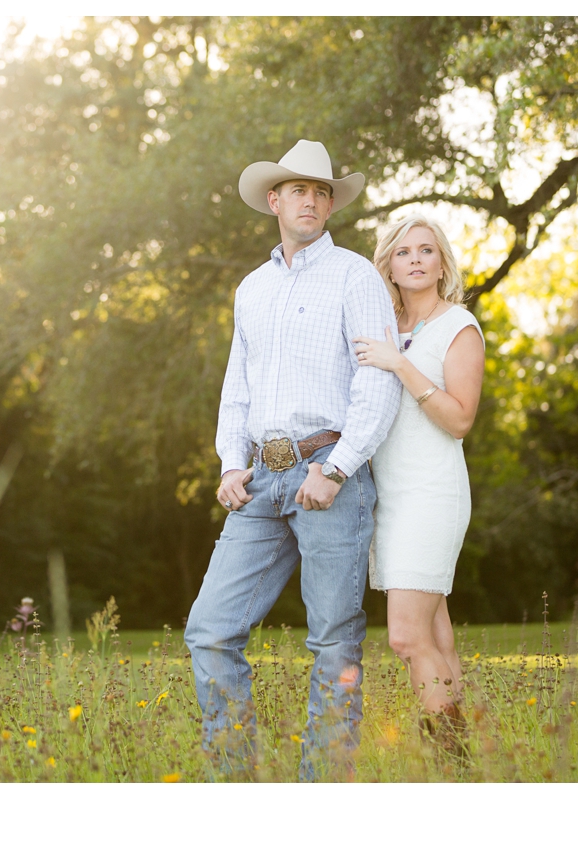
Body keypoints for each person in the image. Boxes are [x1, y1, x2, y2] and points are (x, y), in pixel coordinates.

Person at [183, 139, 402, 778]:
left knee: (334, 640)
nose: (310, 200)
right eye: (298, 190)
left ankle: (320, 793)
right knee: (211, 630)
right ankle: (234, 780)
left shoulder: (355, 275)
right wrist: (230, 463)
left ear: (330, 203)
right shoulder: (251, 288)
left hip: (328, 470)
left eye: (321, 191)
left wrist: (337, 469)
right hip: (261, 480)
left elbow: (377, 382)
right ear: (273, 200)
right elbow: (237, 386)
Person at [351, 214, 485, 753]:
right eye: (404, 252)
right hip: (391, 495)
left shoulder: (459, 326)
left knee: (406, 636)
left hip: (433, 492)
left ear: (441, 263)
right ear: (389, 263)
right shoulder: (383, 326)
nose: (415, 260)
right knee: (435, 635)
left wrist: (399, 365)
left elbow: (459, 420)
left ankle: (450, 754)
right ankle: (470, 760)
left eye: (426, 251)